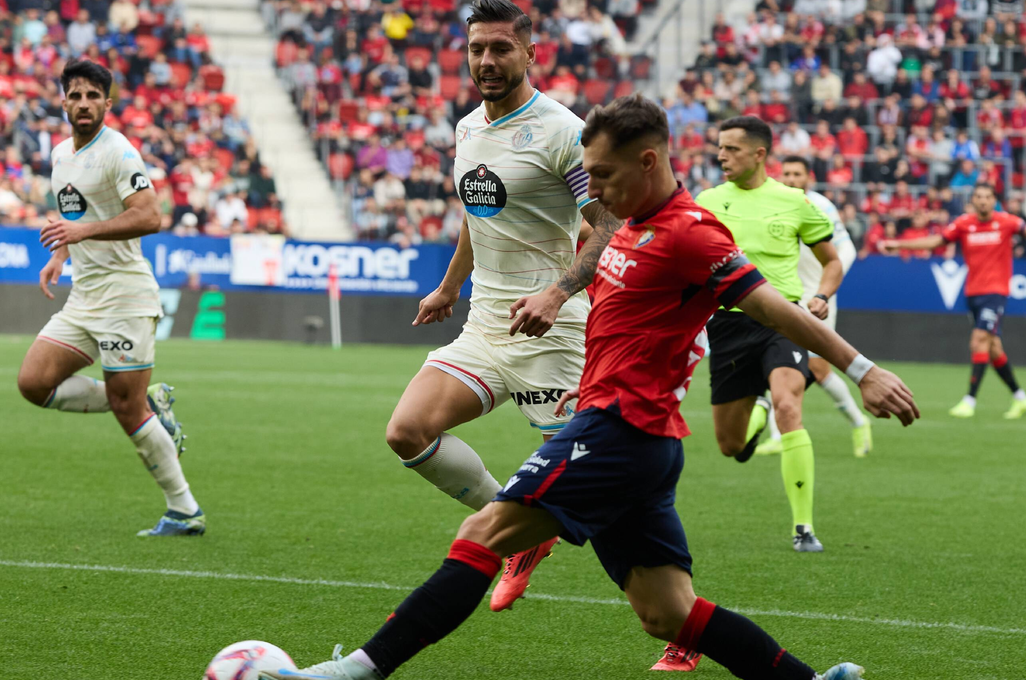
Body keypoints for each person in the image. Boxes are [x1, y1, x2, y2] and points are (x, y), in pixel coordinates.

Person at [264, 92, 918, 680]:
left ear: (648, 162)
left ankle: (354, 671)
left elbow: (776, 309)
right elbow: (588, 264)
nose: (594, 191)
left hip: (619, 430)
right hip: (640, 441)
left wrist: (864, 371)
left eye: (603, 176)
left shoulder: (691, 234)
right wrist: (552, 301)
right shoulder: (627, 226)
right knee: (667, 613)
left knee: (482, 534)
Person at [383, 0, 622, 613]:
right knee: (407, 432)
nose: (486, 61)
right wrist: (449, 286)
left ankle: (682, 623)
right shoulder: (468, 128)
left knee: (597, 491)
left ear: (530, 53)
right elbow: (478, 211)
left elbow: (610, 225)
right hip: (486, 325)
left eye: (500, 48)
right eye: (477, 49)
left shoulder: (563, 132)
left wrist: (558, 292)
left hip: (553, 333)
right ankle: (517, 531)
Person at [650, 118, 845, 672]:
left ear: (760, 154)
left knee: (789, 404)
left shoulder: (797, 203)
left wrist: (822, 296)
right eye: (720, 148)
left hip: (783, 318)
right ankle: (757, 417)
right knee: (730, 444)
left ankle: (804, 527)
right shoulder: (708, 201)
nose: (722, 156)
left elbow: (831, 260)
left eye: (732, 149)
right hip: (729, 325)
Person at [17, 60, 200, 537]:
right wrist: (61, 252)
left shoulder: (119, 153)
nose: (84, 104)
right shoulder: (61, 154)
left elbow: (150, 216)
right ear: (63, 102)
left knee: (126, 410)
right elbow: (73, 214)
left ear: (107, 103)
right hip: (85, 296)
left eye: (93, 96)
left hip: (125, 295)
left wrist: (83, 232)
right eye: (76, 96)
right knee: (34, 383)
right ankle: (148, 402)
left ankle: (184, 509)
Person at [878, 184, 1026, 419]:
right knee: (993, 348)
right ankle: (1020, 398)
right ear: (973, 201)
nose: (983, 201)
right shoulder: (964, 224)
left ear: (994, 201)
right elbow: (936, 242)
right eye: (979, 197)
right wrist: (899, 244)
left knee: (979, 340)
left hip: (996, 292)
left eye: (987, 197)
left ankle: (969, 400)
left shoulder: (1006, 221)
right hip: (973, 293)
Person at [750, 157, 871, 458]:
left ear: (809, 177)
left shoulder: (820, 206)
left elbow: (846, 249)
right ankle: (778, 434)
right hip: (784, 295)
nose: (791, 178)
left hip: (817, 297)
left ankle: (859, 422)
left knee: (818, 369)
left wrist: (826, 290)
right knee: (775, 363)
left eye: (797, 173)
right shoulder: (774, 203)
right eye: (787, 173)